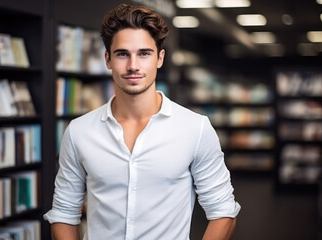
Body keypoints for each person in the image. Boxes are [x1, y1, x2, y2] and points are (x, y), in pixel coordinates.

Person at [44, 3, 241, 240]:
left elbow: (223, 212)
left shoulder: (195, 128)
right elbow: (64, 213)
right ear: (108, 59)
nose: (133, 66)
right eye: (122, 54)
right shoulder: (79, 132)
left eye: (144, 53)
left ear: (160, 58)